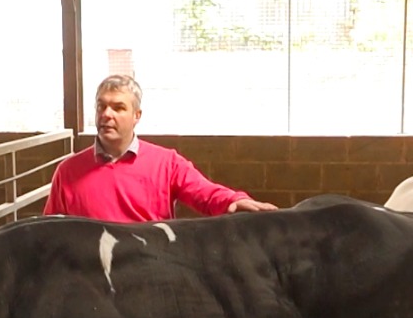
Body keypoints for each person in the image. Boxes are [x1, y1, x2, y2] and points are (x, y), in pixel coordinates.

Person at [43, 74, 278, 223]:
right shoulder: (68, 172)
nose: (106, 114)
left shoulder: (167, 163)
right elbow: (49, 230)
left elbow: (205, 193)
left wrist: (233, 200)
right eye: (101, 106)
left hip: (150, 272)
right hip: (92, 279)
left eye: (118, 107)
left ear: (137, 116)